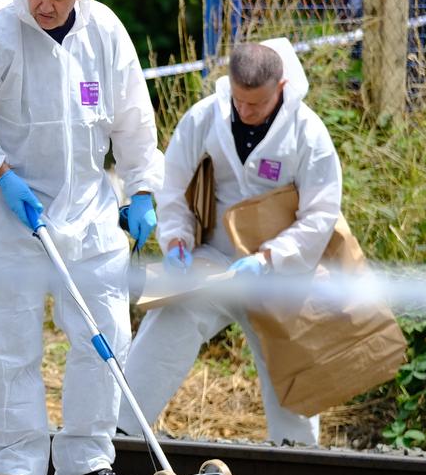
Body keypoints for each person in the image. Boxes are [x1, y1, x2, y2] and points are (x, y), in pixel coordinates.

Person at [0, 0, 164, 475]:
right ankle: (18, 470)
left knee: (105, 336)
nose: (43, 5)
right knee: (9, 345)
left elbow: (133, 120)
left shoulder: (104, 32)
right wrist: (1, 173)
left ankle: (88, 462)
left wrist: (142, 191)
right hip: (4, 212)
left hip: (87, 211)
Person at [118, 39, 341, 445]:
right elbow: (173, 188)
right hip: (214, 260)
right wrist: (178, 242)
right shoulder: (204, 118)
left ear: (281, 87)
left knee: (289, 366)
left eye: (256, 104)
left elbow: (321, 215)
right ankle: (119, 433)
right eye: (239, 101)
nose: (245, 111)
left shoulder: (309, 133)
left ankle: (299, 462)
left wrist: (270, 258)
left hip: (278, 271)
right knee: (169, 322)